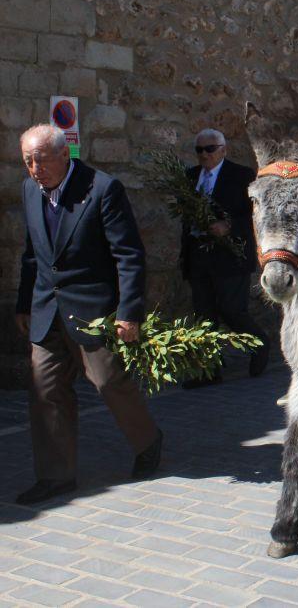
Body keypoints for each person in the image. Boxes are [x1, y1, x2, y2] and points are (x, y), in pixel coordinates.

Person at [14, 124, 162, 504]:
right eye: (28, 161)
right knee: (45, 390)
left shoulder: (102, 189)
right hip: (47, 308)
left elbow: (128, 255)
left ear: (65, 155)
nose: (34, 168)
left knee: (108, 382)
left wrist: (129, 313)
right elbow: (32, 254)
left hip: (92, 310)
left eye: (41, 160)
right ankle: (56, 476)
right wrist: (23, 304)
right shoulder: (31, 190)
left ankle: (147, 441)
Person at [180, 128, 269, 388]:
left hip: (230, 254)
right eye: (199, 150)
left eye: (210, 149)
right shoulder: (190, 176)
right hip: (199, 255)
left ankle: (260, 343)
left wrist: (229, 227)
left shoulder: (241, 176)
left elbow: (256, 214)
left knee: (232, 310)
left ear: (223, 149)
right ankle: (209, 371)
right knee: (204, 314)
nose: (204, 155)